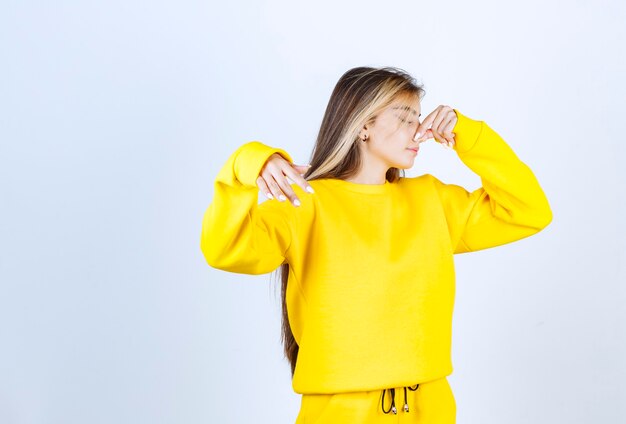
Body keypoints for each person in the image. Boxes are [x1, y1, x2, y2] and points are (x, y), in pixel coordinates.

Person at [200, 66, 553, 423]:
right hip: (341, 411)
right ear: (363, 125)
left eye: (418, 118)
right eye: (404, 118)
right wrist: (247, 163)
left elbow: (529, 211)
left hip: (429, 405)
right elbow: (225, 249)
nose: (417, 130)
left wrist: (470, 136)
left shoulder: (432, 200)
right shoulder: (305, 202)